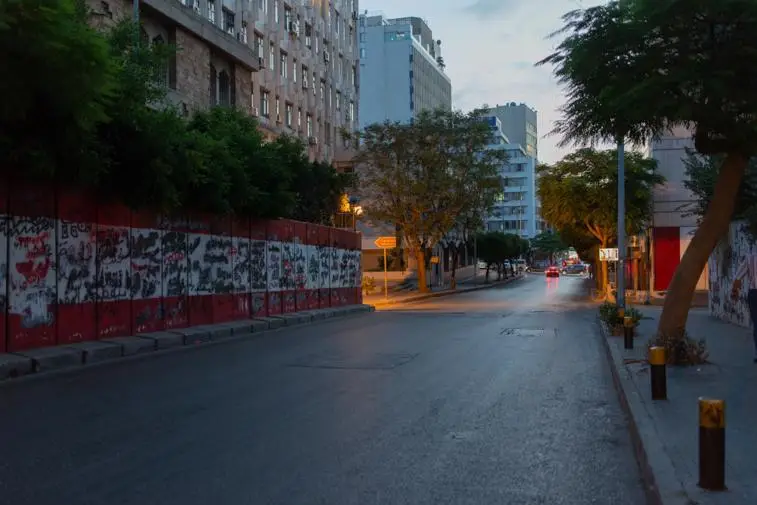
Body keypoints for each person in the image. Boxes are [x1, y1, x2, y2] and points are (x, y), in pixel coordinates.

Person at [731, 252, 757, 363]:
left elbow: (738, 277)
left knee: (756, 323)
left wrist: (734, 292)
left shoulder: (750, 258)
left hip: (754, 294)